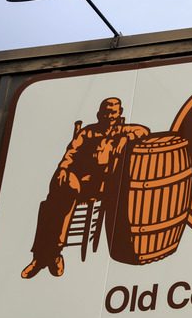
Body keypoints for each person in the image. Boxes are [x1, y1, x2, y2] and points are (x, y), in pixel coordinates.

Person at [21, 98, 150, 278]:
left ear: (119, 113)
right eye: (106, 112)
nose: (109, 115)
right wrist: (63, 169)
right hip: (80, 181)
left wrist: (125, 138)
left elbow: (144, 131)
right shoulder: (88, 132)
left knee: (62, 200)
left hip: (103, 185)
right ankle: (43, 257)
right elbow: (70, 153)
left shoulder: (124, 130)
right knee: (49, 204)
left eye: (113, 112)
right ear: (99, 114)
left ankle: (49, 255)